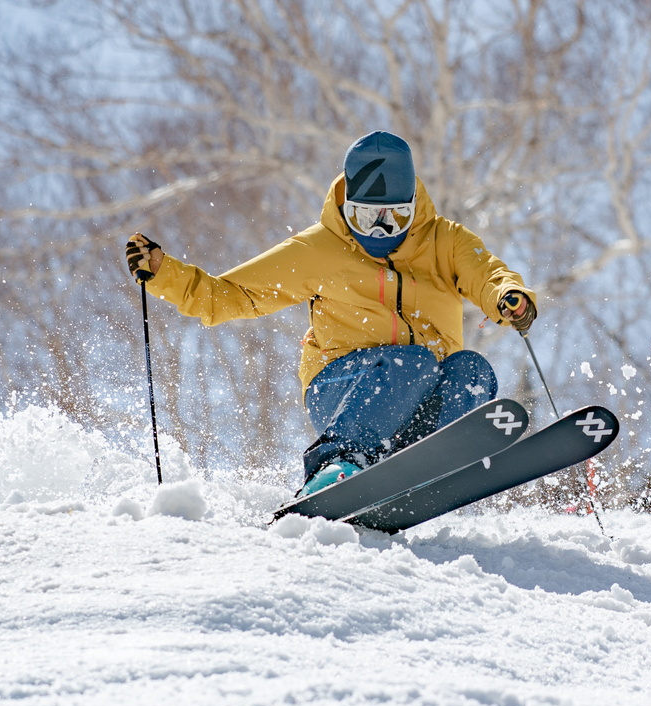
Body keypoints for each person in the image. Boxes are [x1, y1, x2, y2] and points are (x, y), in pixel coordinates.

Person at [126, 130, 537, 495]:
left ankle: (433, 458)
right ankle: (336, 463)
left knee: (472, 370)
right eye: (367, 217)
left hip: (419, 392)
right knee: (413, 362)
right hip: (343, 388)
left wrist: (508, 295)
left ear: (414, 204)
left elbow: (487, 274)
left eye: (395, 217)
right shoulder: (320, 249)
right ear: (347, 206)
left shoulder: (444, 241)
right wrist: (166, 274)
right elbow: (231, 295)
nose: (381, 230)